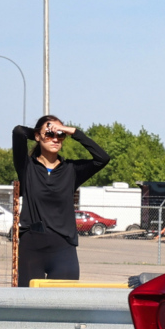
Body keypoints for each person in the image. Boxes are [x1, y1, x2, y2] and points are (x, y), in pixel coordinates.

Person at [11, 116, 109, 287]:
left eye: (60, 135)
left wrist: (73, 132)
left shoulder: (71, 170)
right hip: (32, 248)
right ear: (37, 136)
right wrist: (42, 131)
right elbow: (18, 132)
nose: (55, 139)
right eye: (50, 134)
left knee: (64, 300)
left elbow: (102, 158)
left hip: (63, 248)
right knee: (28, 301)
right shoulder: (27, 167)